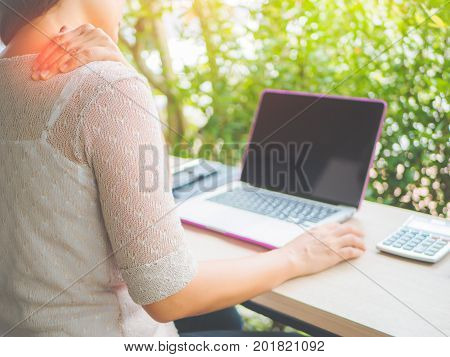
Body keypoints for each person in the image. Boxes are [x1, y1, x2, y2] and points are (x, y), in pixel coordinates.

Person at [0, 0, 366, 337]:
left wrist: (119, 80)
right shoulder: (105, 90)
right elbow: (168, 296)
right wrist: (296, 256)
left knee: (224, 319)